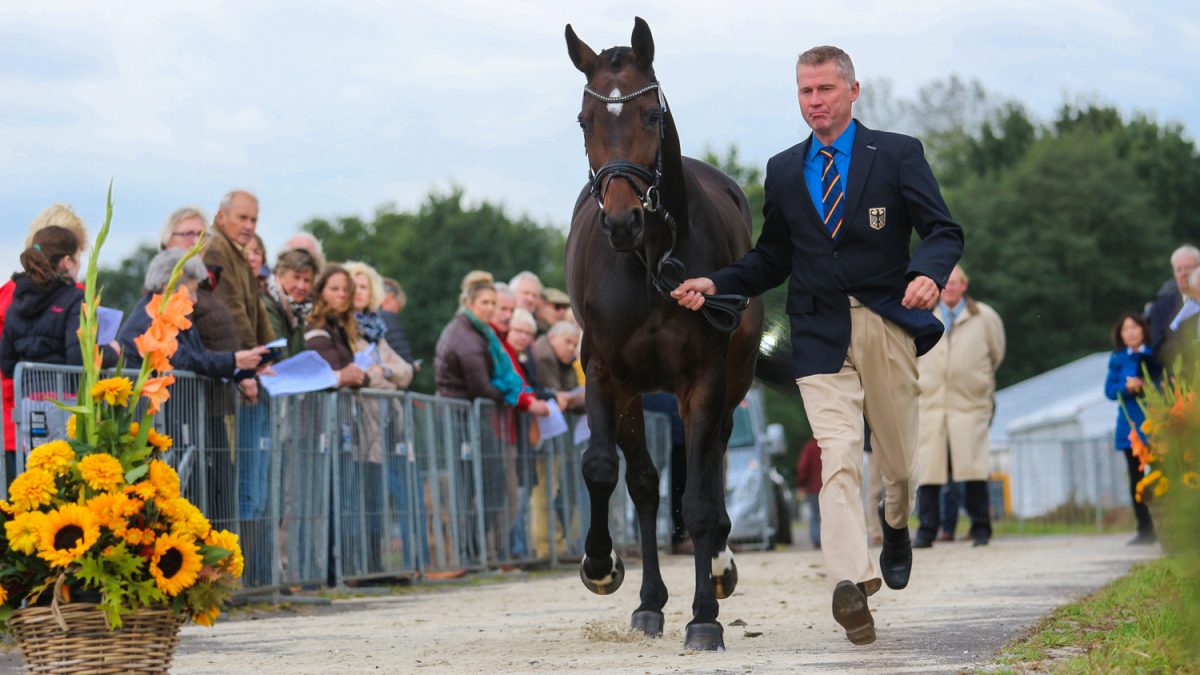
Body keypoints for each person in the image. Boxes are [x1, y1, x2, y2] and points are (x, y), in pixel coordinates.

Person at [672, 45, 963, 645]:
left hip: (886, 321)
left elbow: (943, 229)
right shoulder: (782, 170)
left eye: (825, 90)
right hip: (817, 332)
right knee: (836, 457)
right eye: (805, 92)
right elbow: (772, 256)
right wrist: (719, 281)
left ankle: (898, 522)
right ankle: (851, 584)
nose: (814, 102)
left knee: (899, 464)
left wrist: (929, 273)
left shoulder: (899, 154)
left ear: (853, 91)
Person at [913, 264, 1005, 548]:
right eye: (946, 283)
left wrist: (977, 383)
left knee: (973, 469)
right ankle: (927, 530)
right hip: (931, 404)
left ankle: (980, 528)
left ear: (964, 286)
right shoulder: (924, 316)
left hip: (969, 404)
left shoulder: (985, 317)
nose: (950, 287)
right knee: (929, 471)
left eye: (955, 283)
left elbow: (996, 353)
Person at [1, 205, 89, 474]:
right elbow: (79, 357)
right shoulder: (75, 296)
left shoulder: (12, 296)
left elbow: (6, 362)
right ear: (67, 259)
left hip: (19, 417)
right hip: (66, 414)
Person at [116, 250, 267, 378]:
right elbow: (182, 361)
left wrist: (242, 367)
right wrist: (233, 361)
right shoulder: (151, 319)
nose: (195, 300)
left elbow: (197, 357)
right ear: (167, 287)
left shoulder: (174, 316)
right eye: (191, 292)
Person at [1103, 312, 1160, 545]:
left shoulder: (1155, 355)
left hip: (1157, 424)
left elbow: (1165, 381)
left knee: (1160, 477)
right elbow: (1109, 390)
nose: (1131, 332)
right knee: (1137, 480)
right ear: (1120, 334)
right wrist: (1127, 388)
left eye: (1135, 327)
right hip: (1130, 427)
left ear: (1143, 330)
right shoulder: (1117, 360)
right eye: (1126, 329)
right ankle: (1144, 528)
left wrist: (1146, 385)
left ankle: (1170, 524)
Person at [304, 265, 367, 389]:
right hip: (319, 406)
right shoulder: (315, 326)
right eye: (334, 289)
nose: (342, 294)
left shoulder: (340, 327)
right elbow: (331, 371)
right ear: (320, 292)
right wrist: (361, 377)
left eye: (346, 289)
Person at [1148, 245, 1199, 368]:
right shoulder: (1160, 309)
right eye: (1178, 269)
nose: (1183, 274)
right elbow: (1158, 350)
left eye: (1188, 268)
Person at [263, 248, 319, 357]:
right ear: (280, 275)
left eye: (307, 280)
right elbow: (278, 355)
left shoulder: (299, 309)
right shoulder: (268, 304)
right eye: (296, 277)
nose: (301, 286)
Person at [795, 437, 824, 549]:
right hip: (829, 486)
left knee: (814, 514)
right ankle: (831, 539)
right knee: (829, 514)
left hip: (813, 488)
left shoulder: (810, 446)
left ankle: (816, 538)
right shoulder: (829, 445)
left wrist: (801, 484)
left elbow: (802, 467)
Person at [380, 277, 416, 366]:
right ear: (390, 298)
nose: (396, 314)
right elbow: (404, 359)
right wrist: (413, 368)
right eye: (397, 308)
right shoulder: (388, 318)